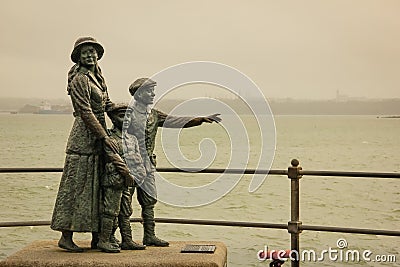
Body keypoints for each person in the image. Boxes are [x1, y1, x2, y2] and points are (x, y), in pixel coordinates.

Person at [124, 78, 221, 247]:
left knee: (149, 200)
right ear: (138, 93)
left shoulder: (153, 114)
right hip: (129, 164)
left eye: (153, 90)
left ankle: (150, 235)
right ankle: (126, 238)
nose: (153, 94)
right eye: (149, 91)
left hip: (148, 164)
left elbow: (174, 121)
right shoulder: (127, 113)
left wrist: (199, 119)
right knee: (124, 202)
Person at [51, 37, 118, 252]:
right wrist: (105, 137)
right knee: (76, 187)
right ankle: (66, 235)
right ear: (78, 58)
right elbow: (85, 112)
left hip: (98, 137)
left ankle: (98, 237)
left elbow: (107, 105)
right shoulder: (80, 79)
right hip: (84, 139)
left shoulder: (97, 78)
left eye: (93, 51)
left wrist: (131, 114)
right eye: (85, 52)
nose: (90, 55)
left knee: (97, 186)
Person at [97, 103, 147, 252]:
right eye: (121, 116)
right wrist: (127, 173)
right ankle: (104, 239)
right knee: (110, 211)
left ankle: (127, 239)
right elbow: (114, 158)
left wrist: (140, 174)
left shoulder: (132, 138)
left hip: (129, 182)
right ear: (112, 118)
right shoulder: (109, 138)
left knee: (126, 210)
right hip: (115, 180)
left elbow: (138, 157)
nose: (125, 119)